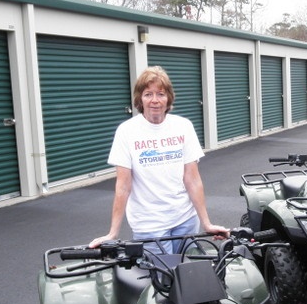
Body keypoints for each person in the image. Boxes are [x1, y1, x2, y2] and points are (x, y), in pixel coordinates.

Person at [90, 66, 229, 252]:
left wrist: (206, 223)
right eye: (148, 94)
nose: (155, 100)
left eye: (161, 94)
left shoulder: (183, 126)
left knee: (188, 274)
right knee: (161, 278)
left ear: (168, 98)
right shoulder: (126, 131)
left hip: (186, 220)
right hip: (149, 225)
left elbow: (192, 179)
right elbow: (123, 186)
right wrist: (112, 233)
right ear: (140, 98)